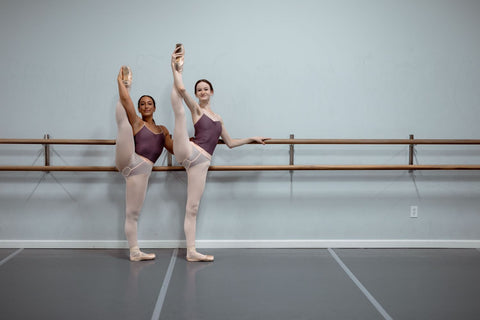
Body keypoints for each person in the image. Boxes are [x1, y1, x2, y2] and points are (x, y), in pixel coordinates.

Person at [170, 45, 270, 262]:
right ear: (197, 94)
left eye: (206, 89)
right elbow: (183, 92)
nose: (202, 92)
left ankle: (191, 251)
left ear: (212, 92)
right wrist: (176, 70)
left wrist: (252, 138)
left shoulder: (218, 118)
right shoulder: (197, 110)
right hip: (191, 151)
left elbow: (231, 143)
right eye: (199, 90)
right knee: (180, 110)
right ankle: (176, 69)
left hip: (202, 162)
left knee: (193, 207)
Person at [115, 66, 173, 261]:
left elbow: (175, 149)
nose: (146, 106)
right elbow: (126, 102)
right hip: (129, 159)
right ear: (139, 109)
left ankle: (135, 252)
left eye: (149, 103)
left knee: (133, 213)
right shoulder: (137, 122)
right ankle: (126, 85)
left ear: (154, 107)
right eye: (142, 104)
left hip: (141, 172)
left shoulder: (162, 130)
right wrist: (122, 84)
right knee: (124, 122)